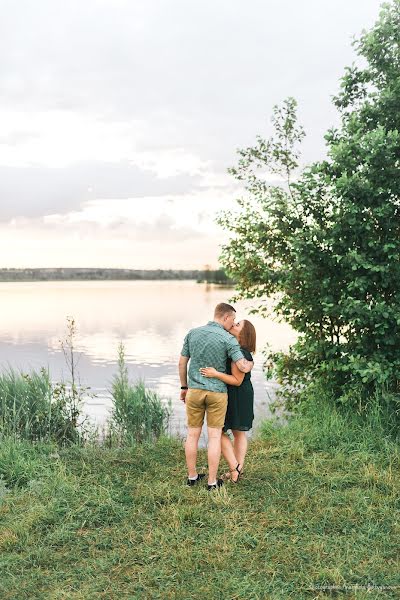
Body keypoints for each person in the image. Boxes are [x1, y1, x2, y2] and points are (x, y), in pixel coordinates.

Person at [179, 303, 254, 490]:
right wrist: (249, 365)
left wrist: (184, 386)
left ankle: (192, 477)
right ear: (227, 317)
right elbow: (243, 365)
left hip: (195, 390)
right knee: (214, 436)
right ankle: (212, 482)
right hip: (217, 393)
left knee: (192, 434)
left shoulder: (193, 333)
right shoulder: (227, 339)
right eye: (233, 321)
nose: (233, 324)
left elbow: (182, 363)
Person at [200, 319, 256, 483]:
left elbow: (237, 381)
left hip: (238, 394)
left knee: (222, 431)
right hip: (233, 393)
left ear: (244, 334)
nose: (234, 325)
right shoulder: (235, 348)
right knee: (235, 433)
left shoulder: (241, 353)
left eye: (238, 325)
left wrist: (215, 374)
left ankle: (235, 468)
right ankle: (236, 470)